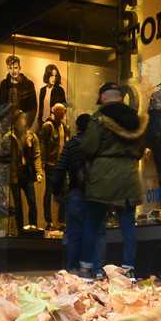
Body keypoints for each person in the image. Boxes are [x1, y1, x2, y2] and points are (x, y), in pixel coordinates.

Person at [80, 82, 146, 279]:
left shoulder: (98, 119)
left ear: (103, 97)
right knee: (128, 223)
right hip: (129, 175)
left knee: (93, 223)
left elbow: (88, 148)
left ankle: (88, 267)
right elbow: (141, 150)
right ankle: (128, 268)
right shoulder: (136, 120)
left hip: (103, 176)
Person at [49, 113, 101, 274]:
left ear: (77, 127)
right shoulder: (98, 145)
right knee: (94, 231)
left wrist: (57, 192)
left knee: (74, 233)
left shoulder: (71, 145)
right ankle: (93, 269)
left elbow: (60, 168)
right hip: (96, 194)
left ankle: (72, 269)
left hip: (76, 193)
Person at [4, 111, 44, 232]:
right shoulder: (9, 137)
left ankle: (33, 226)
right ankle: (20, 228)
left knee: (32, 201)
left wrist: (39, 172)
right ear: (15, 122)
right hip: (14, 173)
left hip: (27, 172)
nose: (23, 122)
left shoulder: (31, 136)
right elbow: (4, 157)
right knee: (17, 203)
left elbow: (37, 155)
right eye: (21, 119)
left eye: (24, 119)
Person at [39, 103, 70, 230]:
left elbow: (67, 143)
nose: (63, 114)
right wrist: (43, 160)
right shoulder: (48, 126)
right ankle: (48, 221)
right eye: (60, 111)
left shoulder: (64, 127)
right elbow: (42, 143)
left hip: (62, 164)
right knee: (49, 191)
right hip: (51, 164)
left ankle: (61, 221)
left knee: (65, 192)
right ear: (55, 112)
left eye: (63, 112)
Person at [0, 55, 38, 130]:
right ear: (7, 68)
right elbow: (0, 102)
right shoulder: (4, 84)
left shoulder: (28, 84)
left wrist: (27, 124)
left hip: (22, 123)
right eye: (10, 68)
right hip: (6, 124)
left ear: (19, 68)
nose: (13, 71)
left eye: (15, 68)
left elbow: (33, 107)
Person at [38, 64, 68, 128]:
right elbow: (41, 107)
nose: (54, 78)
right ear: (47, 76)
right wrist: (39, 120)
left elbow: (65, 106)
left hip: (54, 123)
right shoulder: (42, 90)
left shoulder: (60, 90)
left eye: (55, 76)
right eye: (51, 76)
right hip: (43, 122)